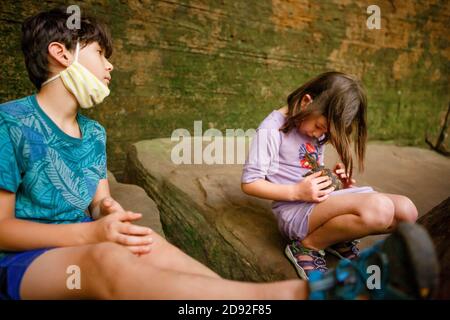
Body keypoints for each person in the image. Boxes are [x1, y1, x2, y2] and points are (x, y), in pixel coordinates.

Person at [0, 8, 436, 300]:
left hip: (86, 238)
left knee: (152, 246)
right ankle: (298, 294)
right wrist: (91, 236)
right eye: (100, 54)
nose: (110, 66)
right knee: (106, 260)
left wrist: (108, 211)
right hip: (23, 260)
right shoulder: (10, 123)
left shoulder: (94, 133)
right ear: (61, 53)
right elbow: (2, 230)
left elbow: (98, 200)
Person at [241, 72, 418, 280]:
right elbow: (250, 182)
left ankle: (337, 237)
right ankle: (307, 247)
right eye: (319, 127)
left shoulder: (313, 129)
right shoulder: (271, 130)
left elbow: (310, 169)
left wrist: (336, 183)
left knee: (408, 212)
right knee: (379, 209)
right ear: (307, 101)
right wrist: (296, 191)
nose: (319, 135)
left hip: (318, 203)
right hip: (295, 211)